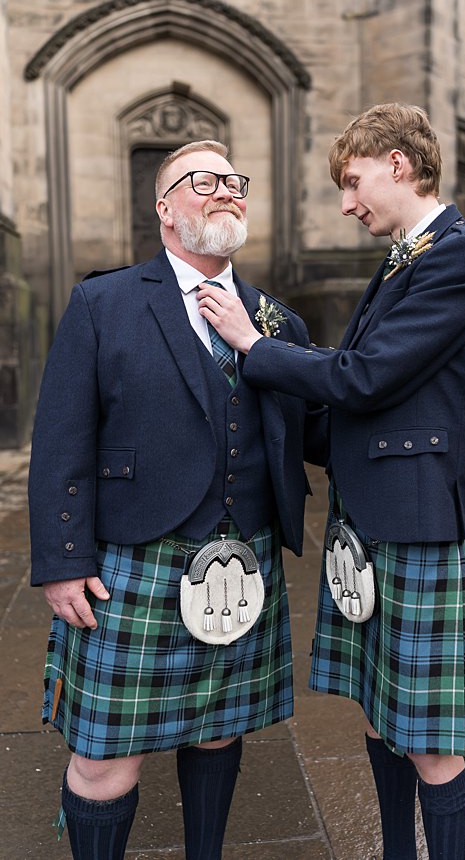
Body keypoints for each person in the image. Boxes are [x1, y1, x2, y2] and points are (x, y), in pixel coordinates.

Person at [201, 104, 465, 859]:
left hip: (413, 519)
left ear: (399, 163)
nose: (346, 202)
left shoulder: (461, 257)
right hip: (368, 515)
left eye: (354, 180)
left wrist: (250, 344)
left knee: (429, 732)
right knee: (379, 709)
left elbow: (364, 377)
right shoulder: (406, 255)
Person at [29, 140, 316, 858]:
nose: (225, 190)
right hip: (133, 557)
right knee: (102, 759)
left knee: (219, 728)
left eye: (234, 181)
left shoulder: (279, 322)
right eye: (202, 181)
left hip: (243, 562)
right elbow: (63, 436)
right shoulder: (104, 301)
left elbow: (322, 424)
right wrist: (64, 558)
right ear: (164, 208)